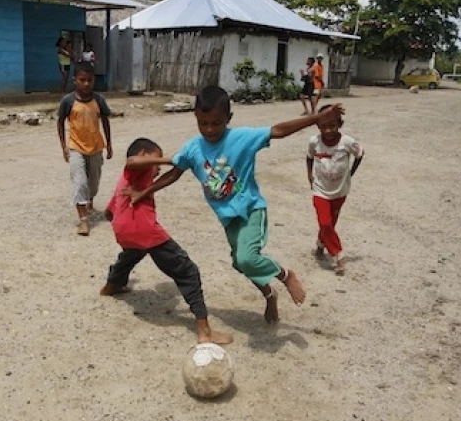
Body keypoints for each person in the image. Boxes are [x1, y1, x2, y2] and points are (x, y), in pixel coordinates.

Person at [126, 85, 344, 324]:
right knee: (241, 264)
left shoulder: (241, 138)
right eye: (203, 123)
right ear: (196, 117)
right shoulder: (193, 148)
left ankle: (285, 275)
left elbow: (278, 130)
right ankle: (269, 294)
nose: (209, 129)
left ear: (228, 118)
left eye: (216, 123)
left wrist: (316, 118)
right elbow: (173, 174)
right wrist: (143, 192)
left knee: (247, 258)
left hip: (251, 210)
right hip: (229, 219)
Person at [100, 138, 233, 345]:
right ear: (144, 155)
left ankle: (111, 286)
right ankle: (205, 331)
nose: (158, 169)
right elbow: (132, 161)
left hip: (124, 231)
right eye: (156, 162)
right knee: (188, 272)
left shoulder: (124, 181)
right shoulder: (136, 170)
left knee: (131, 254)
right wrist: (171, 160)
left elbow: (109, 212)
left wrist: (122, 224)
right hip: (144, 230)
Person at [306, 104, 364, 275]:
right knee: (325, 222)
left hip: (339, 191)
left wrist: (351, 173)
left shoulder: (348, 142)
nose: (328, 130)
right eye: (323, 126)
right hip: (320, 190)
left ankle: (320, 244)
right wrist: (309, 175)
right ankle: (338, 255)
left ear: (340, 124)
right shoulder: (314, 142)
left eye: (332, 126)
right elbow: (309, 157)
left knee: (330, 223)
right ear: (318, 126)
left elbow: (360, 154)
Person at [57, 62, 113, 236]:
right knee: (80, 182)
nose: (86, 83)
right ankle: (83, 220)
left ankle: (89, 201)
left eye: (90, 80)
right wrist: (64, 146)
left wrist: (109, 144)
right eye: (82, 80)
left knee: (93, 182)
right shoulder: (68, 101)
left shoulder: (99, 100)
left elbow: (105, 121)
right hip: (75, 147)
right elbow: (60, 122)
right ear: (75, 80)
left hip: (96, 147)